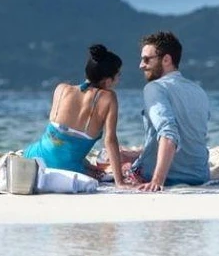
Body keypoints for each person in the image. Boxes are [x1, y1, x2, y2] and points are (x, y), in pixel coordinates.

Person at [23, 44, 135, 187]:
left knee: (92, 167)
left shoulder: (61, 88)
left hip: (34, 157)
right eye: (118, 75)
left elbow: (62, 139)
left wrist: (87, 164)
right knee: (107, 171)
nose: (119, 79)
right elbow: (110, 140)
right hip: (66, 168)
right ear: (107, 80)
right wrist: (119, 181)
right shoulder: (108, 98)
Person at [127, 31, 212, 191]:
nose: (141, 65)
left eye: (146, 59)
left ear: (166, 59)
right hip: (200, 176)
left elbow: (169, 133)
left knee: (109, 160)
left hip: (168, 177)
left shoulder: (154, 88)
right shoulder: (198, 90)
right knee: (127, 154)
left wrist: (157, 180)